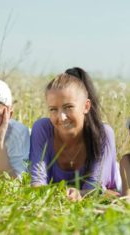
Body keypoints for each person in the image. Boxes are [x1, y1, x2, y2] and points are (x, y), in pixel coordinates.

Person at [29, 67, 120, 200]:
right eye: (53, 109)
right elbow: (37, 183)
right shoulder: (42, 128)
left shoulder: (103, 133)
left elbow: (93, 189)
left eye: (68, 107)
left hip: (110, 186)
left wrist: (75, 194)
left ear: (86, 106)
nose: (62, 117)